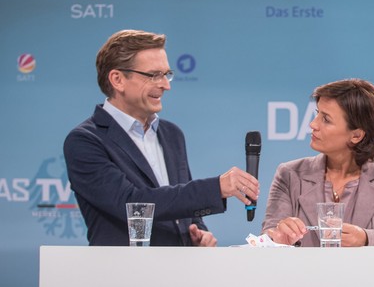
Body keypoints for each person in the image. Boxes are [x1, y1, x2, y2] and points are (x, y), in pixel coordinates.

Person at [64, 29, 259, 246]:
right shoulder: (85, 141)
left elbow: (181, 208)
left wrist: (198, 233)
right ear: (117, 79)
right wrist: (216, 188)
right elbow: (132, 205)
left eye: (166, 74)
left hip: (178, 273)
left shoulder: (172, 134)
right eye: (153, 75)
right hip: (122, 274)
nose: (166, 85)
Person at [262, 79, 374, 247]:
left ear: (356, 135)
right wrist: (279, 236)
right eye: (317, 113)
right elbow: (269, 235)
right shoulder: (289, 174)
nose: (313, 124)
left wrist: (364, 238)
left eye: (326, 119)